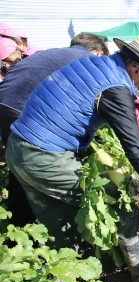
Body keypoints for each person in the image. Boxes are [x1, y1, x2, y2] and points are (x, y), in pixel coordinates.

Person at [5, 34, 139, 275]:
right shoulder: (115, 86)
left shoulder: (91, 64)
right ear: (137, 70)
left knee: (58, 225)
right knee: (124, 200)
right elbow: (134, 144)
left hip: (18, 148)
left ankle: (66, 280)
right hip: (44, 157)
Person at [0, 32, 108, 226]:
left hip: (5, 103)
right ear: (98, 53)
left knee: (19, 166)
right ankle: (35, 221)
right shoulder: (88, 61)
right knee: (36, 162)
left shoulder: (55, 53)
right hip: (22, 108)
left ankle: (20, 224)